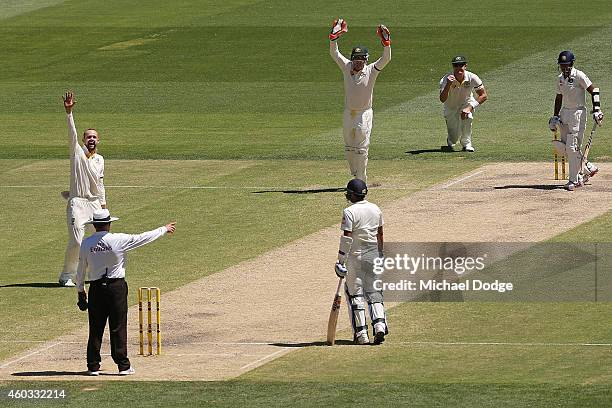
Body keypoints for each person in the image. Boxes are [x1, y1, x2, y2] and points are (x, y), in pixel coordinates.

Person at [75, 209, 176, 376]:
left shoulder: (86, 243)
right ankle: (123, 366)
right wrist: (163, 229)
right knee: (118, 326)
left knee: (95, 327)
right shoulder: (118, 239)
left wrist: (80, 292)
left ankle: (93, 366)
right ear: (109, 224)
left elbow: (80, 270)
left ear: (94, 225)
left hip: (96, 289)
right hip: (116, 288)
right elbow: (143, 238)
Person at [329, 18, 391, 183]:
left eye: (361, 59)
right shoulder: (346, 66)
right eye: (356, 59)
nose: (358, 62)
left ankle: (361, 180)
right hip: (349, 113)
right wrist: (334, 37)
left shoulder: (371, 70)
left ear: (366, 59)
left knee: (361, 148)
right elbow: (334, 54)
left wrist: (386, 43)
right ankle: (355, 172)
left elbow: (386, 59)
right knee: (349, 148)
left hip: (364, 114)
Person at [58, 92, 107, 287]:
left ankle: (97, 272)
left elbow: (100, 183)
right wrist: (69, 113)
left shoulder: (100, 159)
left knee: (102, 238)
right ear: (84, 140)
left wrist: (103, 205)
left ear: (98, 140)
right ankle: (66, 276)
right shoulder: (77, 153)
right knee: (77, 241)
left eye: (95, 137)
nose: (92, 139)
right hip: (77, 203)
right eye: (88, 137)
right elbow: (72, 135)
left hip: (95, 203)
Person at [334, 179, 387, 345]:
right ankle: (379, 325)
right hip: (373, 256)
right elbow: (380, 235)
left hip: (355, 258)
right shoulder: (375, 208)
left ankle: (361, 335)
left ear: (351, 194)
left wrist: (340, 261)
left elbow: (347, 239)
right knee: (374, 292)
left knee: (355, 294)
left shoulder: (349, 211)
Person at [548, 50, 604, 191]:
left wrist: (597, 109)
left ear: (572, 64)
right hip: (565, 112)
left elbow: (594, 90)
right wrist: (555, 116)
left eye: (566, 65)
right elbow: (559, 97)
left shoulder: (579, 75)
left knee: (572, 148)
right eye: (562, 65)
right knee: (564, 147)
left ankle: (574, 180)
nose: (564, 68)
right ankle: (587, 167)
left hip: (578, 113)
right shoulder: (560, 78)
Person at [439, 55, 488, 152]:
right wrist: (448, 85)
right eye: (456, 65)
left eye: (461, 65)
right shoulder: (445, 79)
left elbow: (484, 95)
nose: (458, 68)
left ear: (465, 66)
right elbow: (442, 99)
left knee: (468, 117)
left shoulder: (472, 77)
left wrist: (470, 107)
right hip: (450, 106)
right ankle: (451, 141)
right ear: (453, 67)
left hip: (466, 103)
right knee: (454, 134)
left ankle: (467, 144)